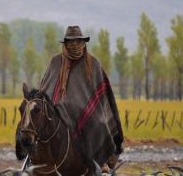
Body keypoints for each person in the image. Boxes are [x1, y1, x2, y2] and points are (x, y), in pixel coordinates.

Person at [38, 25, 124, 168]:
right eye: (71, 41)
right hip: (57, 112)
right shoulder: (56, 62)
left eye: (78, 41)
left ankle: (100, 163)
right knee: (36, 124)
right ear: (65, 43)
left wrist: (79, 106)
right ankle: (37, 162)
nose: (75, 44)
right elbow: (46, 88)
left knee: (100, 123)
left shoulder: (93, 63)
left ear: (83, 42)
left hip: (87, 113)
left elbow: (102, 95)